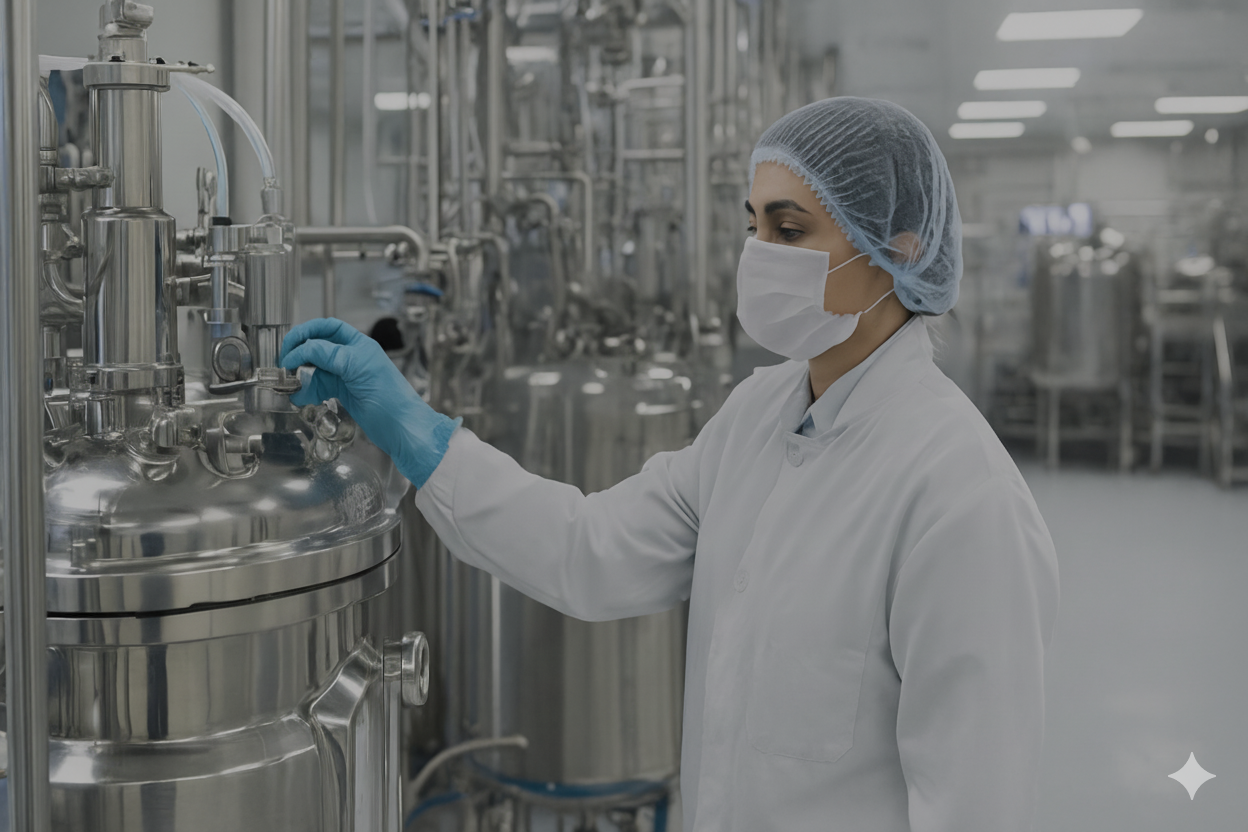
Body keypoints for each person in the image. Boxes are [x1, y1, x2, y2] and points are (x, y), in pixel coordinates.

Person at [280, 96, 1060, 832]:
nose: (759, 256)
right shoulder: (756, 418)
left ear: (899, 250)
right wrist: (413, 429)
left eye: (790, 231)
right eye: (753, 225)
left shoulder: (958, 494)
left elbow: (976, 804)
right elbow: (590, 550)